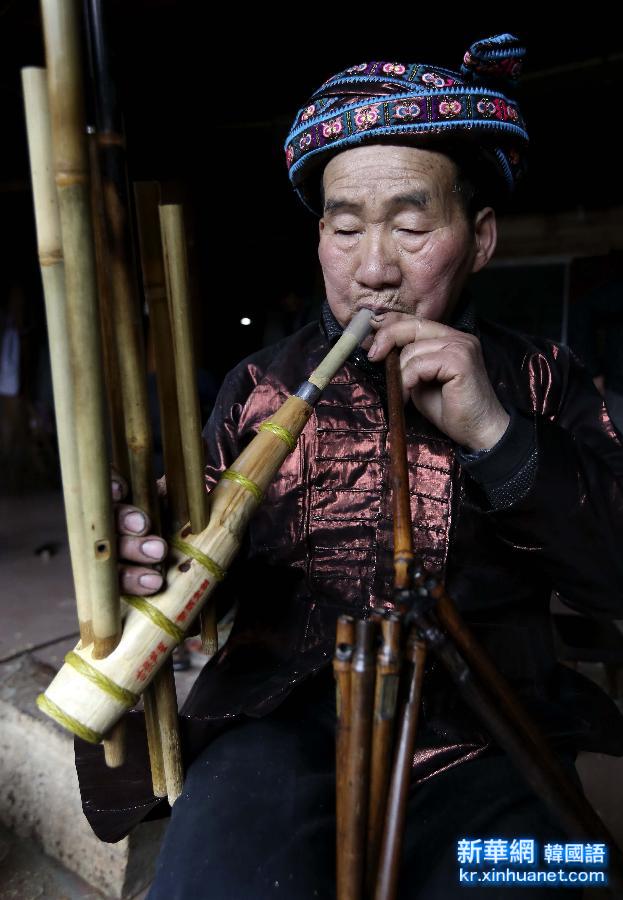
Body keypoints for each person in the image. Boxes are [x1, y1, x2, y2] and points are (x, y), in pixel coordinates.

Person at [76, 34, 623, 898]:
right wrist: (149, 569)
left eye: (411, 227)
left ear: (478, 237)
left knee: (559, 875)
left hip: (497, 740)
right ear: (319, 238)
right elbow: (199, 587)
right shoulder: (257, 391)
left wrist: (497, 432)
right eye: (342, 228)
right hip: (282, 738)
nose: (374, 268)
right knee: (210, 881)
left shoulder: (539, 378)